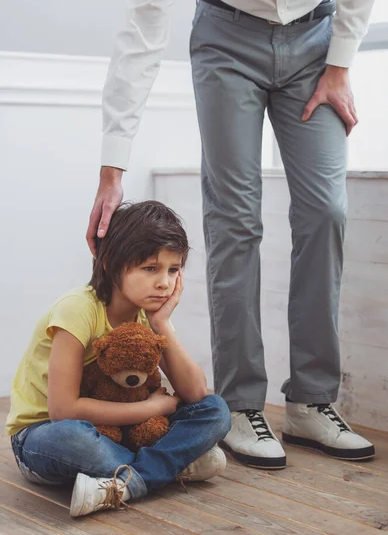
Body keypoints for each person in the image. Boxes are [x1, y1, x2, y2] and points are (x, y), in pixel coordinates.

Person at [87, 0, 380, 469]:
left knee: (326, 210)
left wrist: (340, 63)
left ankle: (312, 400)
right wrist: (113, 168)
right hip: (226, 38)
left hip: (317, 36)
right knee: (235, 219)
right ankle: (243, 405)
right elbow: (144, 24)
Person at [6, 201, 231, 517]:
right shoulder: (78, 309)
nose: (164, 282)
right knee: (74, 438)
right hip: (43, 437)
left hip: (120, 434)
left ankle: (132, 479)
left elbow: (195, 393)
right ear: (111, 263)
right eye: (150, 268)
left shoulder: (148, 315)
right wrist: (152, 408)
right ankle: (171, 464)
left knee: (215, 409)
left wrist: (161, 324)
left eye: (173, 269)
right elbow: (63, 411)